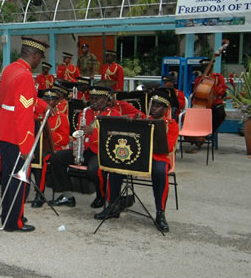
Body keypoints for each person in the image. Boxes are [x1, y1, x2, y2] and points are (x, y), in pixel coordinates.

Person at [100, 90, 178, 231]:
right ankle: (113, 205)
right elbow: (123, 115)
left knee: (160, 171)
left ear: (166, 109)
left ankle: (160, 213)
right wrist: (130, 120)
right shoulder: (141, 117)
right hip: (136, 156)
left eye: (158, 105)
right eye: (152, 104)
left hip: (156, 158)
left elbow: (167, 148)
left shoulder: (171, 124)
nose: (154, 107)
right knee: (115, 164)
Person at [0, 36, 51, 233]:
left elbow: (19, 100)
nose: (40, 63)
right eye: (40, 58)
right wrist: (27, 147)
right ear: (35, 55)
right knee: (19, 179)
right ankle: (14, 222)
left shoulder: (10, 69)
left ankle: (9, 214)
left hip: (4, 130)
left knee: (9, 177)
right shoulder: (26, 76)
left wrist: (45, 106)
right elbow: (23, 114)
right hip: (16, 134)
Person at [48, 86, 121, 210]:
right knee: (56, 158)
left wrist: (94, 131)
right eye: (91, 99)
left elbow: (115, 137)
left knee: (93, 170)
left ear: (106, 99)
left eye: (97, 99)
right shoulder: (85, 112)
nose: (93, 102)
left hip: (101, 152)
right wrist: (77, 146)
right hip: (84, 149)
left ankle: (101, 196)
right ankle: (68, 196)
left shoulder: (114, 114)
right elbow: (78, 132)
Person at [30, 87, 71, 208]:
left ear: (57, 102)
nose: (48, 102)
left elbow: (64, 139)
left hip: (54, 150)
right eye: (45, 99)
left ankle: (40, 193)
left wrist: (47, 133)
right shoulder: (36, 115)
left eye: (51, 99)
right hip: (37, 147)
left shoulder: (61, 117)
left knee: (41, 159)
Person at [192, 59, 226, 136]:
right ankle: (196, 135)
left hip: (215, 103)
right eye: (203, 67)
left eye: (207, 67)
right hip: (202, 104)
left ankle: (210, 133)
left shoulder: (218, 77)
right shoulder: (199, 79)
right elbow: (195, 94)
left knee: (220, 113)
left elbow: (223, 90)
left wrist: (212, 89)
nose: (205, 69)